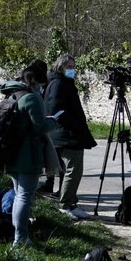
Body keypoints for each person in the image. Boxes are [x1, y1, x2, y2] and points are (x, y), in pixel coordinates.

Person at [0, 60, 57, 247]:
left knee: (18, 194)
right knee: (24, 196)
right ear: (36, 82)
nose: (42, 88)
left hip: (11, 151)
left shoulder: (12, 94)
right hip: (28, 153)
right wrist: (54, 121)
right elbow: (40, 127)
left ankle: (18, 235)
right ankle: (21, 237)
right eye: (42, 85)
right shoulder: (31, 98)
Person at [43, 54, 97, 220]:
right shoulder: (58, 84)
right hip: (65, 134)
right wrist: (73, 123)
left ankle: (71, 203)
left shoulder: (63, 83)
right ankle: (65, 204)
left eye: (73, 67)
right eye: (69, 67)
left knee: (73, 171)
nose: (72, 70)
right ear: (60, 67)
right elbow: (55, 109)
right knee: (73, 170)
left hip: (66, 133)